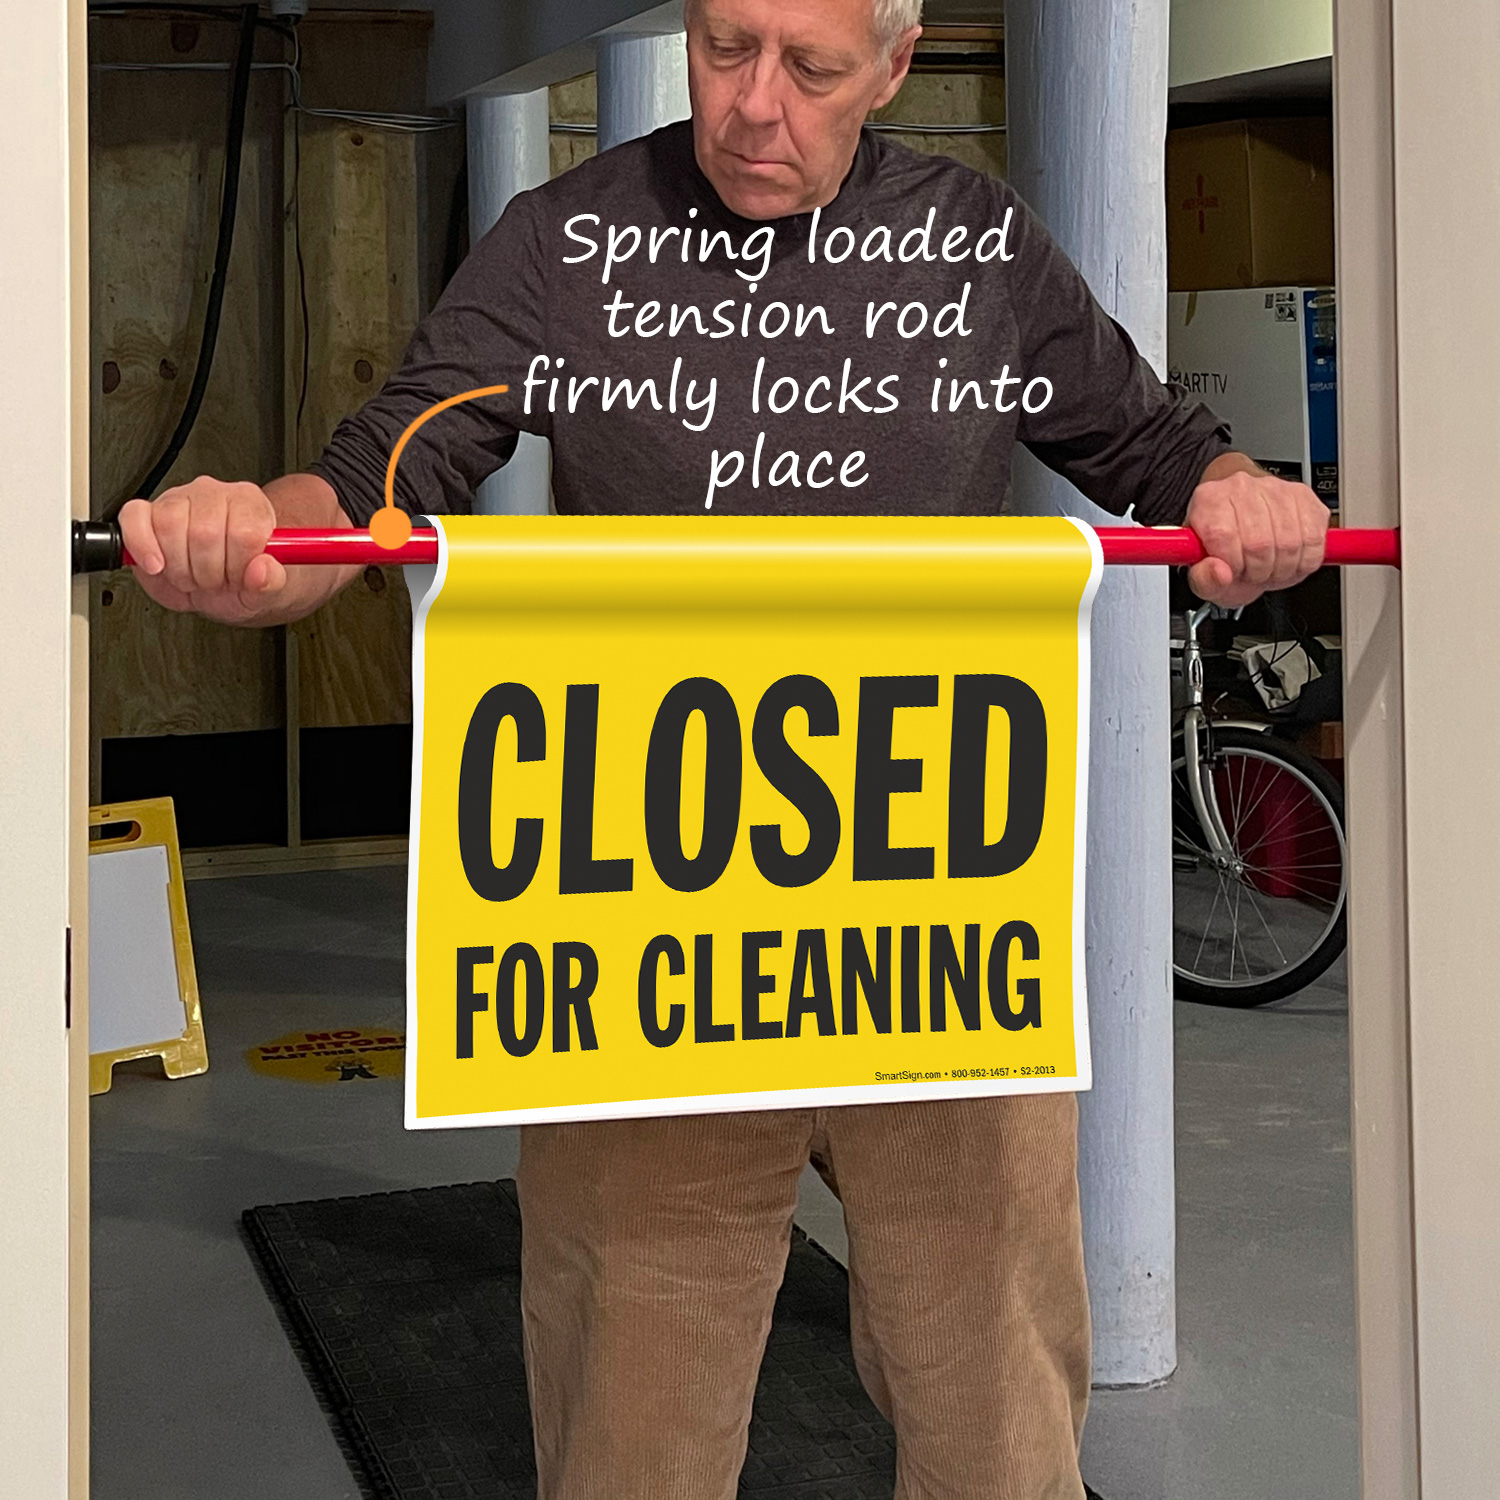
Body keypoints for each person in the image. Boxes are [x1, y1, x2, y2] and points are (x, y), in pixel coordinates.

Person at [121, 0, 1329, 1494]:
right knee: (635, 1407)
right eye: (723, 46)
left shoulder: (976, 247)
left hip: (936, 915)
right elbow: (384, 470)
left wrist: (1236, 487)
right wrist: (264, 535)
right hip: (655, 924)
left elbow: (1157, 447)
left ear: (894, 68)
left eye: (812, 68)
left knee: (999, 1396)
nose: (755, 105)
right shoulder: (571, 240)